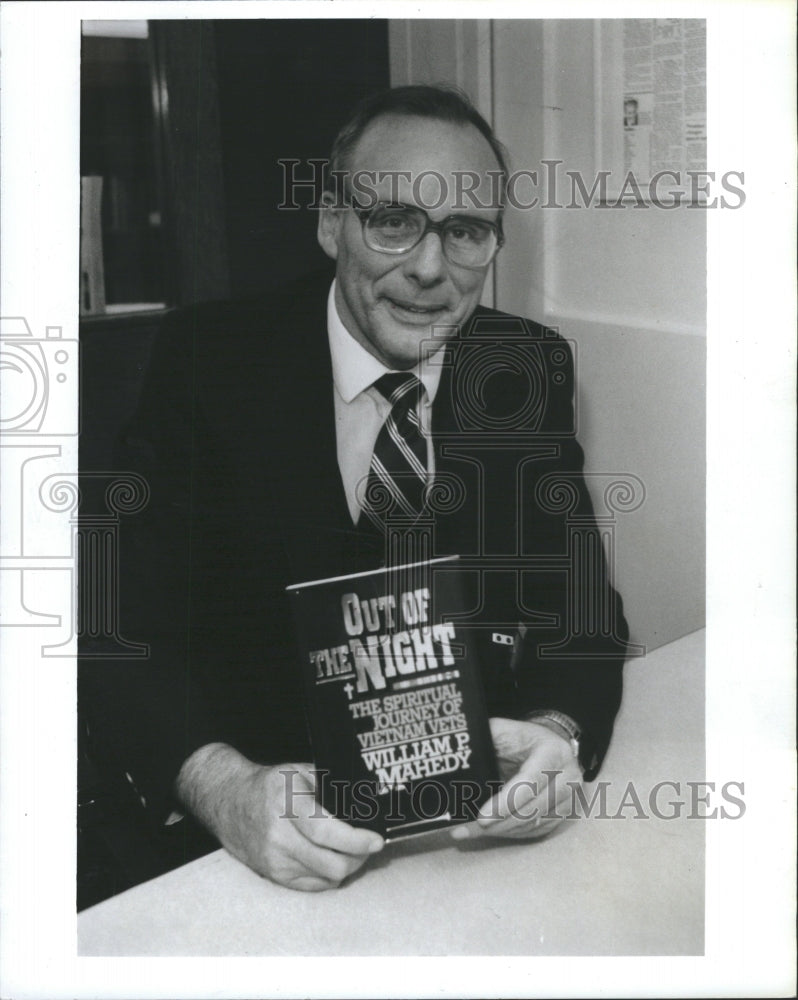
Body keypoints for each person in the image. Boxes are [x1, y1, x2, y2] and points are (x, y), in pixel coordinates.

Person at [81, 85, 628, 893]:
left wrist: (557, 734)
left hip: (461, 843)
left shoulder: (524, 366)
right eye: (394, 221)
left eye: (466, 230)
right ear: (331, 221)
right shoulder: (209, 361)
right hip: (257, 837)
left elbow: (579, 609)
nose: (431, 269)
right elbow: (119, 624)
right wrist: (225, 788)